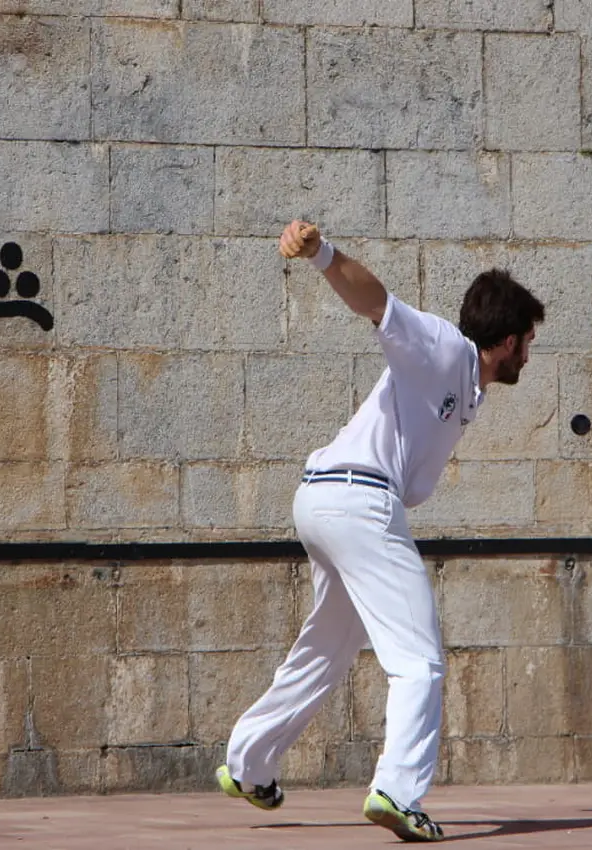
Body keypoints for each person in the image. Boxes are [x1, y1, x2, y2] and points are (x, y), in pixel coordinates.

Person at [215, 220, 546, 842]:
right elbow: (376, 303)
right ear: (504, 341)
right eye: (526, 342)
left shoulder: (466, 386)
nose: (528, 355)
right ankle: (398, 791)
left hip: (325, 499)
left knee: (328, 649)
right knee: (419, 661)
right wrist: (322, 255)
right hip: (358, 502)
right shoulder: (443, 346)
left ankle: (249, 764)